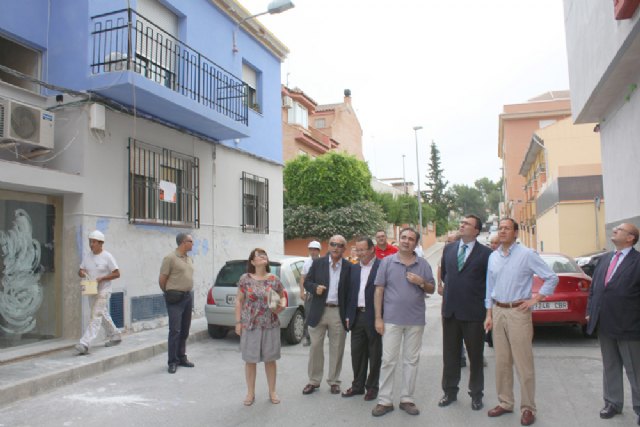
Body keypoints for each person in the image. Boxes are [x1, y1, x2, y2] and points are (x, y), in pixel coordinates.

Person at [484, 218, 558, 426]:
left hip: (518, 312)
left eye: (507, 228)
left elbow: (551, 277)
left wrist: (535, 299)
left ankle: (528, 408)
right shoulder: (493, 257)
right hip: (498, 311)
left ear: (516, 233)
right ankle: (505, 402)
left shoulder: (527, 255)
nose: (503, 231)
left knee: (523, 364)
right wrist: (489, 314)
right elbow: (490, 287)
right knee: (502, 362)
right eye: (500, 229)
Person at [371, 227, 435, 417]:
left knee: (411, 360)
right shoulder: (387, 262)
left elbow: (431, 289)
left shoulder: (423, 264)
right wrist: (378, 318)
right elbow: (379, 290)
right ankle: (385, 401)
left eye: (411, 239)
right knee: (388, 360)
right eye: (404, 237)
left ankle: (407, 399)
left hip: (415, 320)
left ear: (416, 243)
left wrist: (421, 282)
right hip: (391, 320)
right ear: (399, 240)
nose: (406, 241)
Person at [585, 223, 640, 424]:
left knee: (635, 369)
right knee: (610, 366)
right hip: (604, 323)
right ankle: (612, 403)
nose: (614, 230)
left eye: (620, 229)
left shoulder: (637, 261)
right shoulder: (606, 259)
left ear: (630, 238)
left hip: (629, 325)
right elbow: (595, 288)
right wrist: (591, 311)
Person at [438, 215, 492, 411]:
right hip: (451, 312)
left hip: (473, 313)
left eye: (467, 224)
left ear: (476, 230)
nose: (462, 225)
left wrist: (488, 312)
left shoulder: (486, 254)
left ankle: (476, 394)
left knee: (475, 357)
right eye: (461, 223)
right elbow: (446, 275)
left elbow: (489, 283)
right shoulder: (449, 249)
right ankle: (449, 392)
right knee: (450, 356)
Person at [234, 248, 286, 406]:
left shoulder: (274, 279)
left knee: (270, 360)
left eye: (264, 255)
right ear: (252, 262)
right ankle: (250, 393)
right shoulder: (245, 279)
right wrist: (238, 322)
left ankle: (272, 391)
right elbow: (239, 300)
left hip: (270, 324)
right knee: (250, 360)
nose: (263, 257)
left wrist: (280, 307)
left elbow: (282, 298)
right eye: (259, 255)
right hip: (250, 324)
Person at [302, 235, 351, 396]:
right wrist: (314, 288)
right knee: (315, 347)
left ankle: (334, 381)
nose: (336, 247)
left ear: (344, 249)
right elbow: (306, 282)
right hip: (319, 310)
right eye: (333, 244)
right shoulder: (318, 263)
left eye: (340, 245)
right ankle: (314, 381)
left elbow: (352, 293)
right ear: (328, 246)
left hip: (338, 311)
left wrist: (349, 315)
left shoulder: (349, 267)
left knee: (337, 348)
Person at [342, 237, 382, 401]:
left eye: (362, 250)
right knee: (357, 353)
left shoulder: (382, 266)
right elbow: (348, 293)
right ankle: (358, 385)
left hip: (374, 316)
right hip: (356, 316)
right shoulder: (353, 268)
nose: (359, 253)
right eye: (357, 250)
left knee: (374, 353)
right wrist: (347, 315)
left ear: (372, 249)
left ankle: (372, 387)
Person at [75, 230, 121, 355]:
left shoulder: (107, 256)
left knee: (95, 315)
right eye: (90, 242)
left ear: (101, 243)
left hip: (104, 290)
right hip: (91, 289)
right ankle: (115, 334)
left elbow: (117, 273)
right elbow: (80, 270)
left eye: (94, 242)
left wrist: (103, 278)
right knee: (102, 313)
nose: (91, 244)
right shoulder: (87, 256)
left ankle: (85, 343)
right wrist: (82, 273)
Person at [159, 233, 195, 374]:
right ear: (182, 242)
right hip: (175, 298)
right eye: (190, 241)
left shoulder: (189, 258)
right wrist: (168, 292)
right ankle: (172, 361)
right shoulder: (170, 258)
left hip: (187, 297)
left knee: (185, 330)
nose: (193, 243)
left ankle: (181, 357)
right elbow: (162, 279)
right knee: (175, 330)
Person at [299, 240, 322, 347]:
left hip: (321, 293)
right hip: (310, 293)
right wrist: (301, 292)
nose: (313, 252)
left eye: (315, 250)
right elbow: (302, 277)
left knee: (323, 315)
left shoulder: (323, 261)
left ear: (318, 250)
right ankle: (308, 338)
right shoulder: (307, 262)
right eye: (311, 249)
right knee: (308, 315)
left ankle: (322, 337)